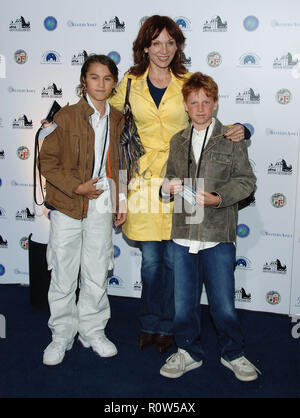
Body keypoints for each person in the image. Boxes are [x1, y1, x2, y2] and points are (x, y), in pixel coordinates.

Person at [109, 15, 251, 353]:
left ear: (178, 46)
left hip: (181, 181)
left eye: (170, 42)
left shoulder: (186, 81)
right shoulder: (128, 83)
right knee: (151, 263)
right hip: (143, 183)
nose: (163, 50)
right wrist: (60, 119)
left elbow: (208, 117)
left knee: (176, 262)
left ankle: (172, 327)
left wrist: (244, 128)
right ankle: (149, 322)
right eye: (156, 42)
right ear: (145, 46)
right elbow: (102, 113)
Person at [159, 72, 260, 381]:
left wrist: (217, 198)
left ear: (215, 104)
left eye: (206, 102)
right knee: (184, 305)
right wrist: (167, 188)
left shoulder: (230, 138)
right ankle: (188, 351)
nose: (200, 108)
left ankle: (234, 353)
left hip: (217, 234)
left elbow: (247, 182)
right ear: (186, 106)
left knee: (223, 305)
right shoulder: (178, 141)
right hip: (184, 233)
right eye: (194, 102)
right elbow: (167, 180)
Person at [39, 54, 126, 366]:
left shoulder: (118, 119)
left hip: (102, 202)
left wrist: (122, 200)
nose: (100, 84)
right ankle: (62, 333)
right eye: (94, 77)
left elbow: (122, 163)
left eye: (106, 78)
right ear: (83, 81)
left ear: (114, 83)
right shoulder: (65, 116)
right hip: (67, 202)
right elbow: (46, 162)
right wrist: (77, 187)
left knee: (96, 270)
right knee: (63, 272)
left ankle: (92, 329)